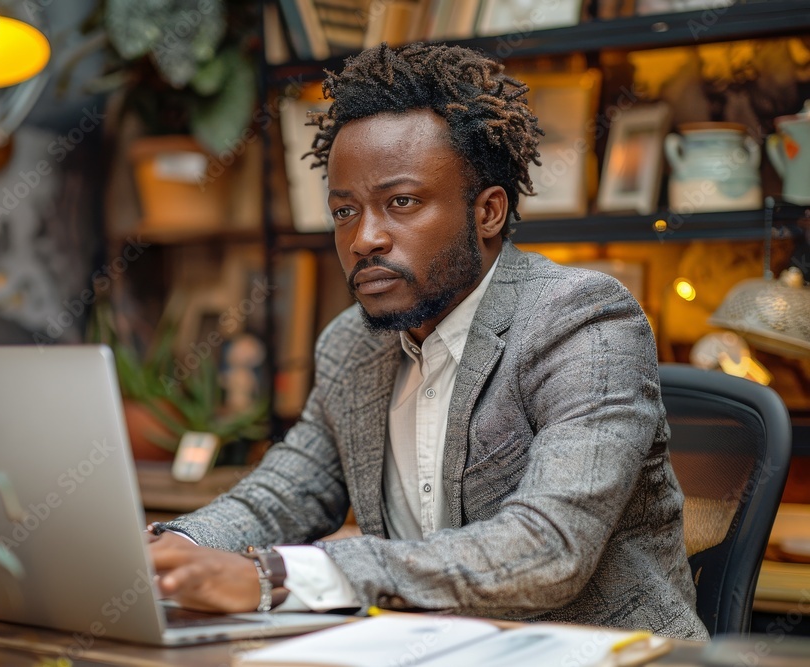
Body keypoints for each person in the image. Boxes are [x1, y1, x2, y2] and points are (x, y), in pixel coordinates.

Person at [149, 42, 708, 641]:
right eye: (344, 212)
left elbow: (550, 546)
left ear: (487, 211)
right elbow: (283, 492)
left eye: (402, 202)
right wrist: (172, 552)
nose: (364, 238)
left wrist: (282, 574)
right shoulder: (351, 346)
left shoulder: (579, 319)